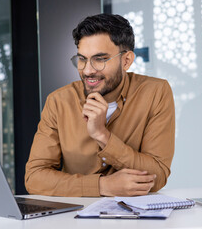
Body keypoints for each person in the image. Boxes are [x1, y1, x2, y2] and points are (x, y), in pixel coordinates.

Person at [25, 13, 175, 197]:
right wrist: (103, 186)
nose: (88, 70)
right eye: (82, 59)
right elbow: (34, 178)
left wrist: (102, 135)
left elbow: (157, 176)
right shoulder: (58, 101)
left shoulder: (155, 92)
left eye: (100, 59)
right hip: (74, 219)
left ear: (126, 60)